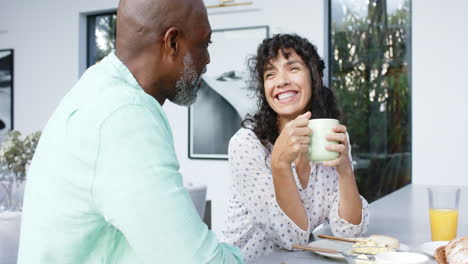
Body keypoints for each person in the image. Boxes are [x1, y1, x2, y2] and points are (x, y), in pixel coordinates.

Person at [17, 0, 244, 263]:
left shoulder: (98, 87)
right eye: (205, 44)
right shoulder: (124, 115)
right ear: (172, 43)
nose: (207, 59)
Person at [222, 34, 369, 262]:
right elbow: (292, 239)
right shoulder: (246, 145)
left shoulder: (329, 137)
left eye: (292, 68)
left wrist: (345, 170)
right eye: (270, 74)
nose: (280, 81)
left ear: (314, 77)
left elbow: (350, 232)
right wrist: (280, 163)